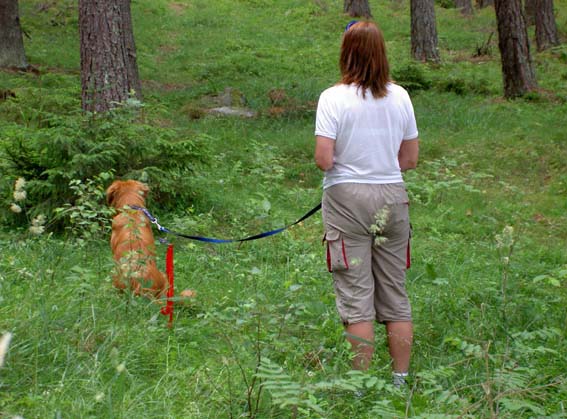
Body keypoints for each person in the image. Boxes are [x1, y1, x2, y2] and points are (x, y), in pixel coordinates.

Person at [314, 21, 419, 387]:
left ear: (346, 52)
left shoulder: (332, 98)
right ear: (382, 52)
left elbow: (324, 159)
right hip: (393, 196)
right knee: (394, 291)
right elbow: (409, 159)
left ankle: (359, 389)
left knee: (357, 295)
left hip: (347, 201)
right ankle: (400, 381)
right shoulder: (401, 96)